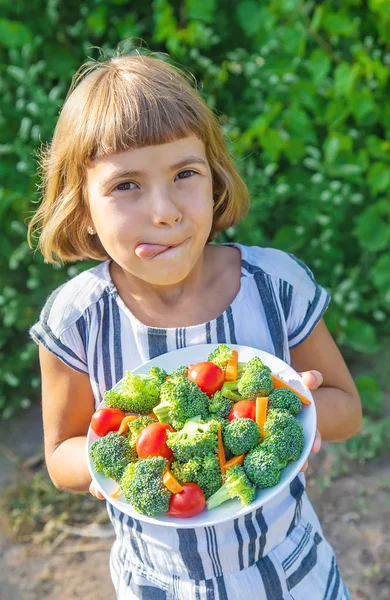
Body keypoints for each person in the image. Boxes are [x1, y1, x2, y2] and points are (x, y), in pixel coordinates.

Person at [28, 52, 362, 600]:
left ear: (215, 179)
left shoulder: (274, 286)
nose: (164, 210)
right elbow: (62, 451)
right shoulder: (76, 320)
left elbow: (346, 408)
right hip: (158, 585)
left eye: (185, 174)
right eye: (126, 186)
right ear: (83, 207)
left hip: (290, 571)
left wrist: (292, 410)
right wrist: (121, 460)